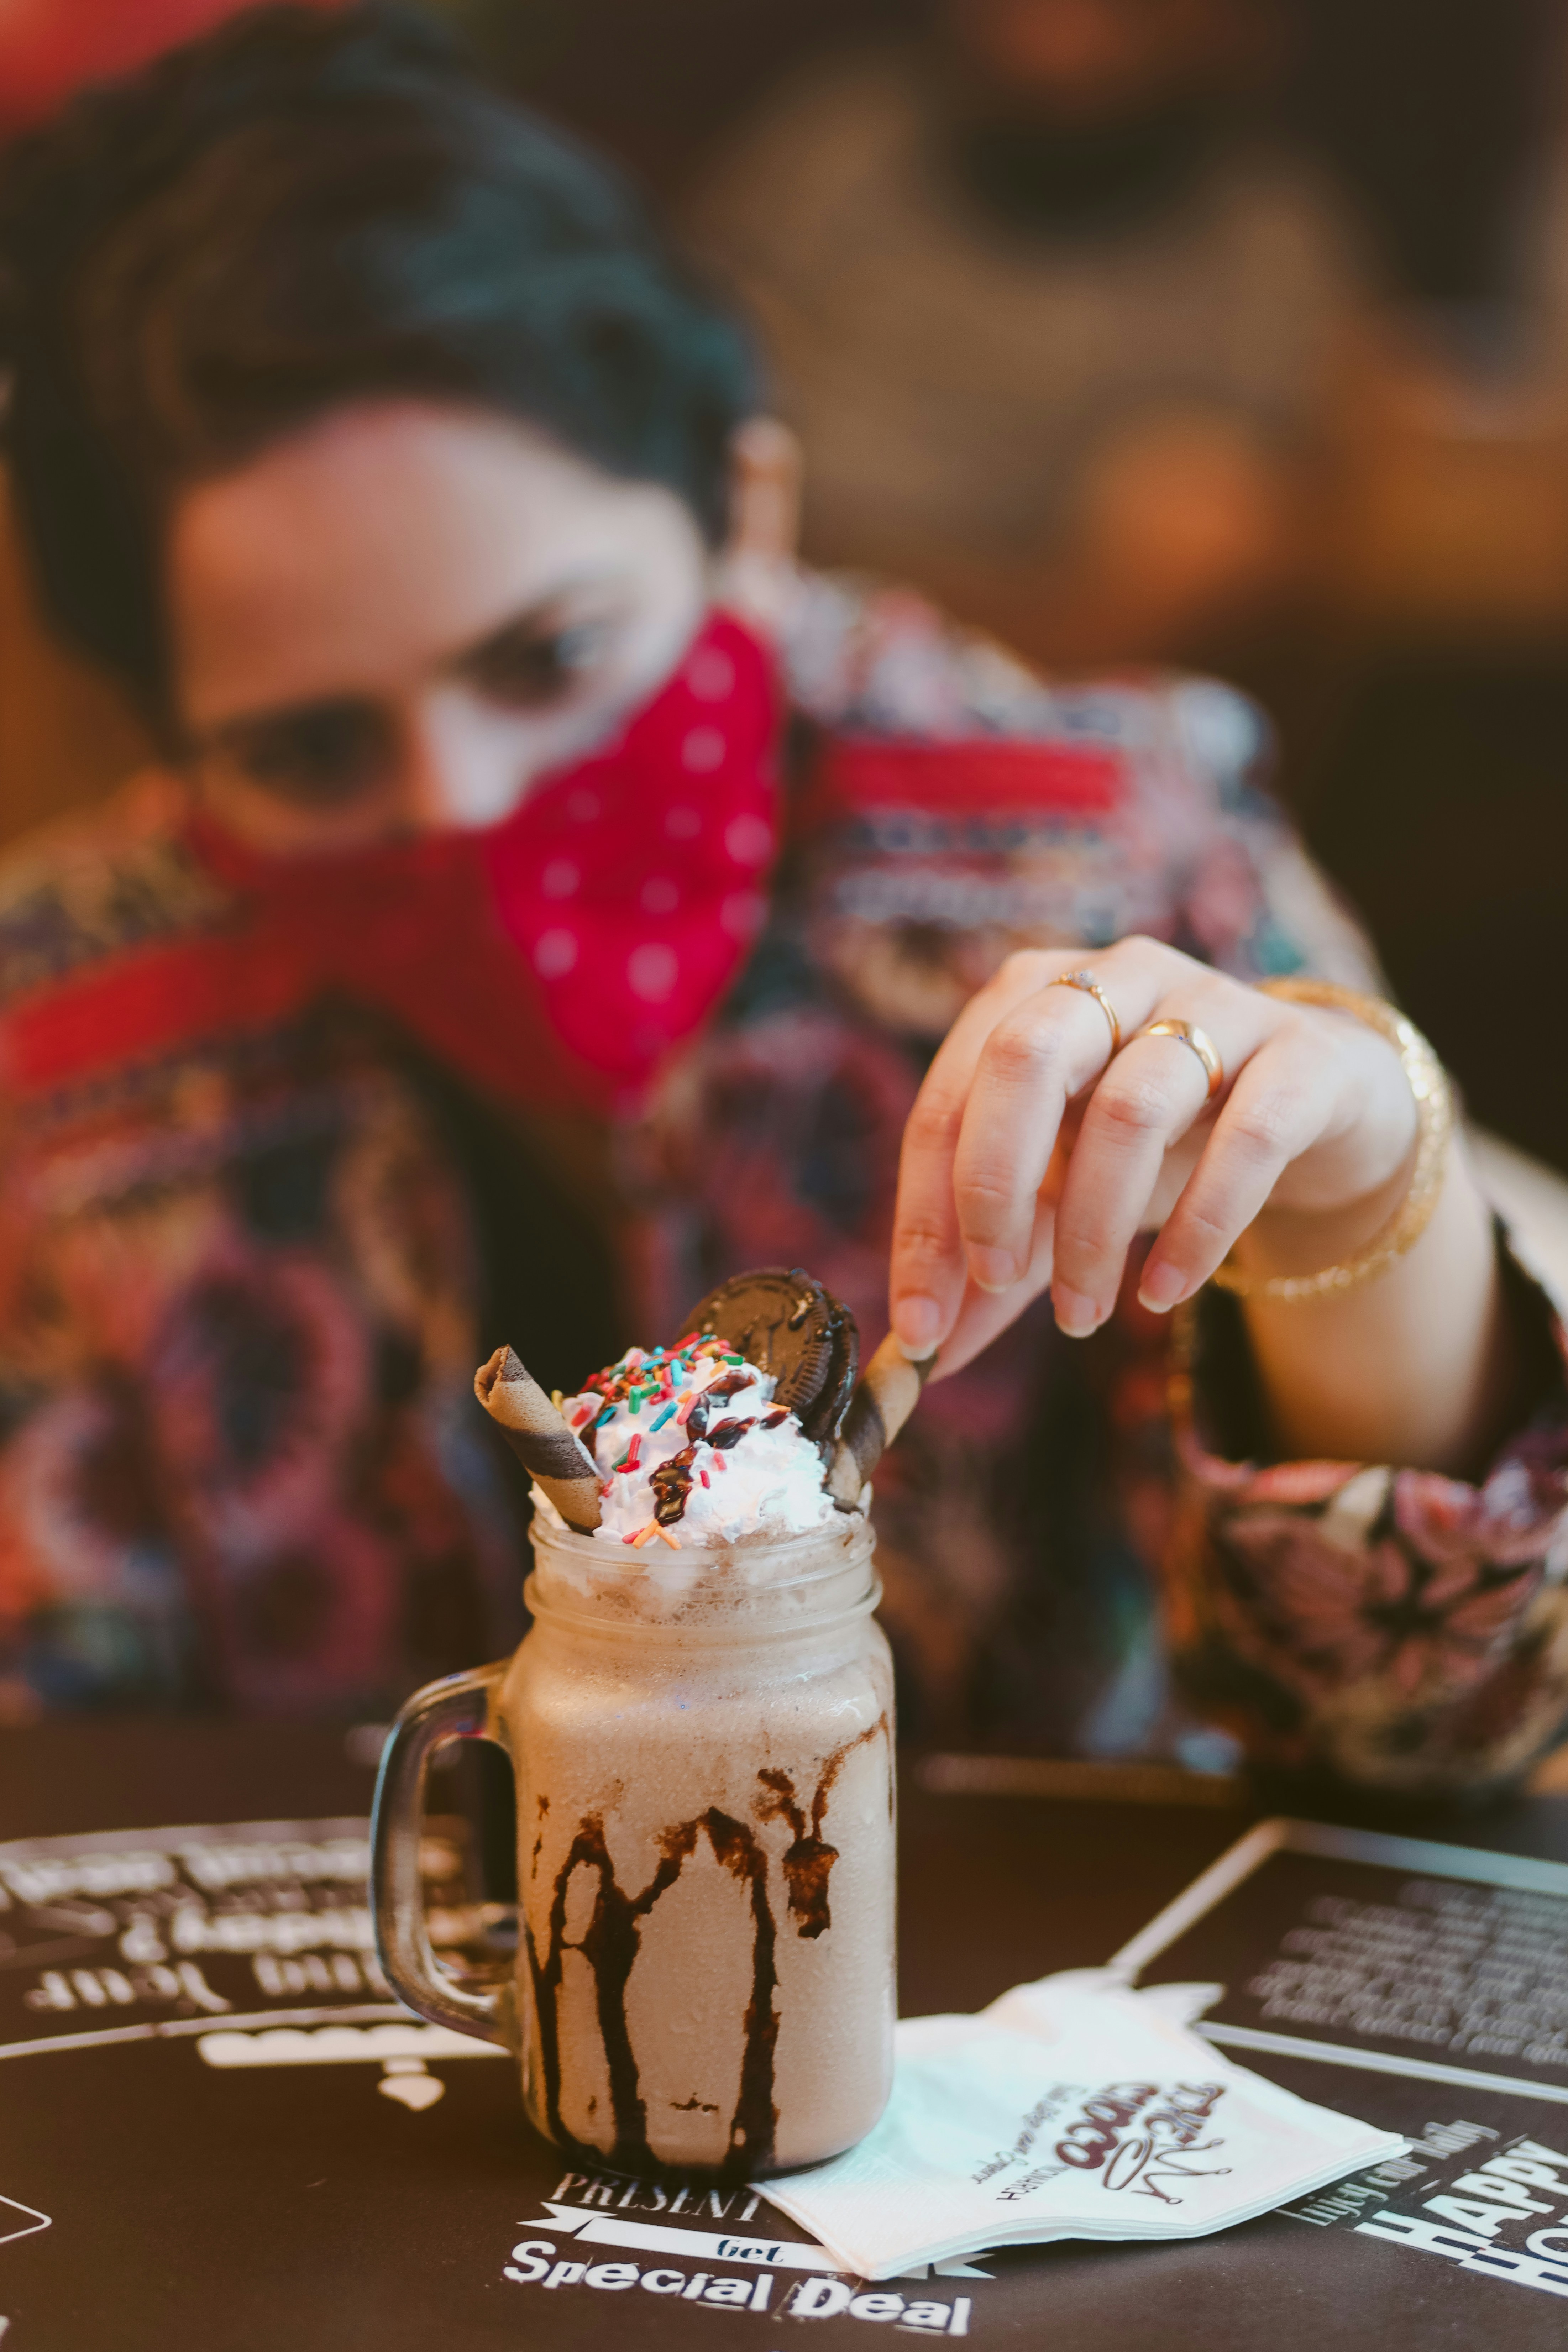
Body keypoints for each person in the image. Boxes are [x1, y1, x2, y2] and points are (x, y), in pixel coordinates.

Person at [0, 6, 1562, 1796]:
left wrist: (1362, 1190)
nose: (465, 806)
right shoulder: (64, 1028)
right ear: (163, 740)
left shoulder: (1099, 853)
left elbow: (1438, 1734)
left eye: (553, 655)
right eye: (306, 750)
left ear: (745, 506)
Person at [686, 0, 1369, 672]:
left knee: (1202, 510)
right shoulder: (835, 149)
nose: (1054, 28)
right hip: (792, 599)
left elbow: (1274, 519)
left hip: (1069, 667)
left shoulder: (1267, 242)